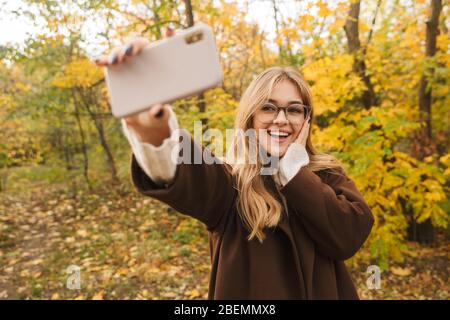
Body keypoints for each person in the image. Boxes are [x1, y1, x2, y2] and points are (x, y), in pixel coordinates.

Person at [95, 28, 374, 300]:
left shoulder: (326, 174)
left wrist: (294, 173)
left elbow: (349, 236)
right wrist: (151, 127)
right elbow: (183, 171)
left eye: (293, 109)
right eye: (268, 107)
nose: (281, 119)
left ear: (306, 120)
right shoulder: (231, 184)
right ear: (250, 117)